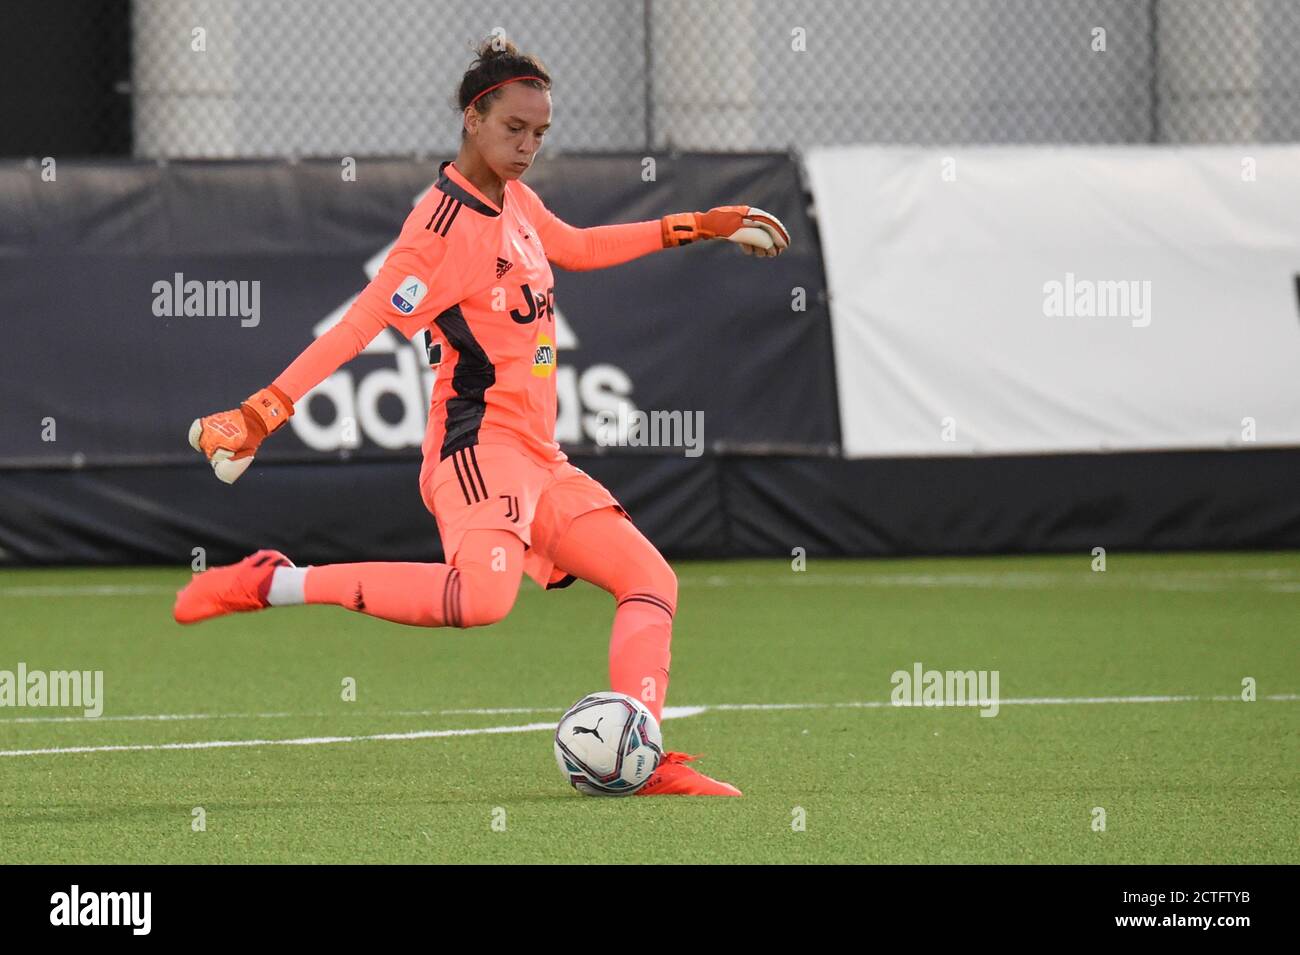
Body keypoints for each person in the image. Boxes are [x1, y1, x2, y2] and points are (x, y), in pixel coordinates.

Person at [173, 38, 790, 797]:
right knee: (482, 600)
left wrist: (699, 225)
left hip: (539, 456)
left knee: (649, 577)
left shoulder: (516, 199)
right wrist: (262, 412)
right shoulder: (437, 230)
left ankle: (642, 748)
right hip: (476, 447)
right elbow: (359, 323)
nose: (529, 146)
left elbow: (581, 247)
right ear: (474, 118)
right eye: (514, 129)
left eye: (540, 134)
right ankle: (276, 582)